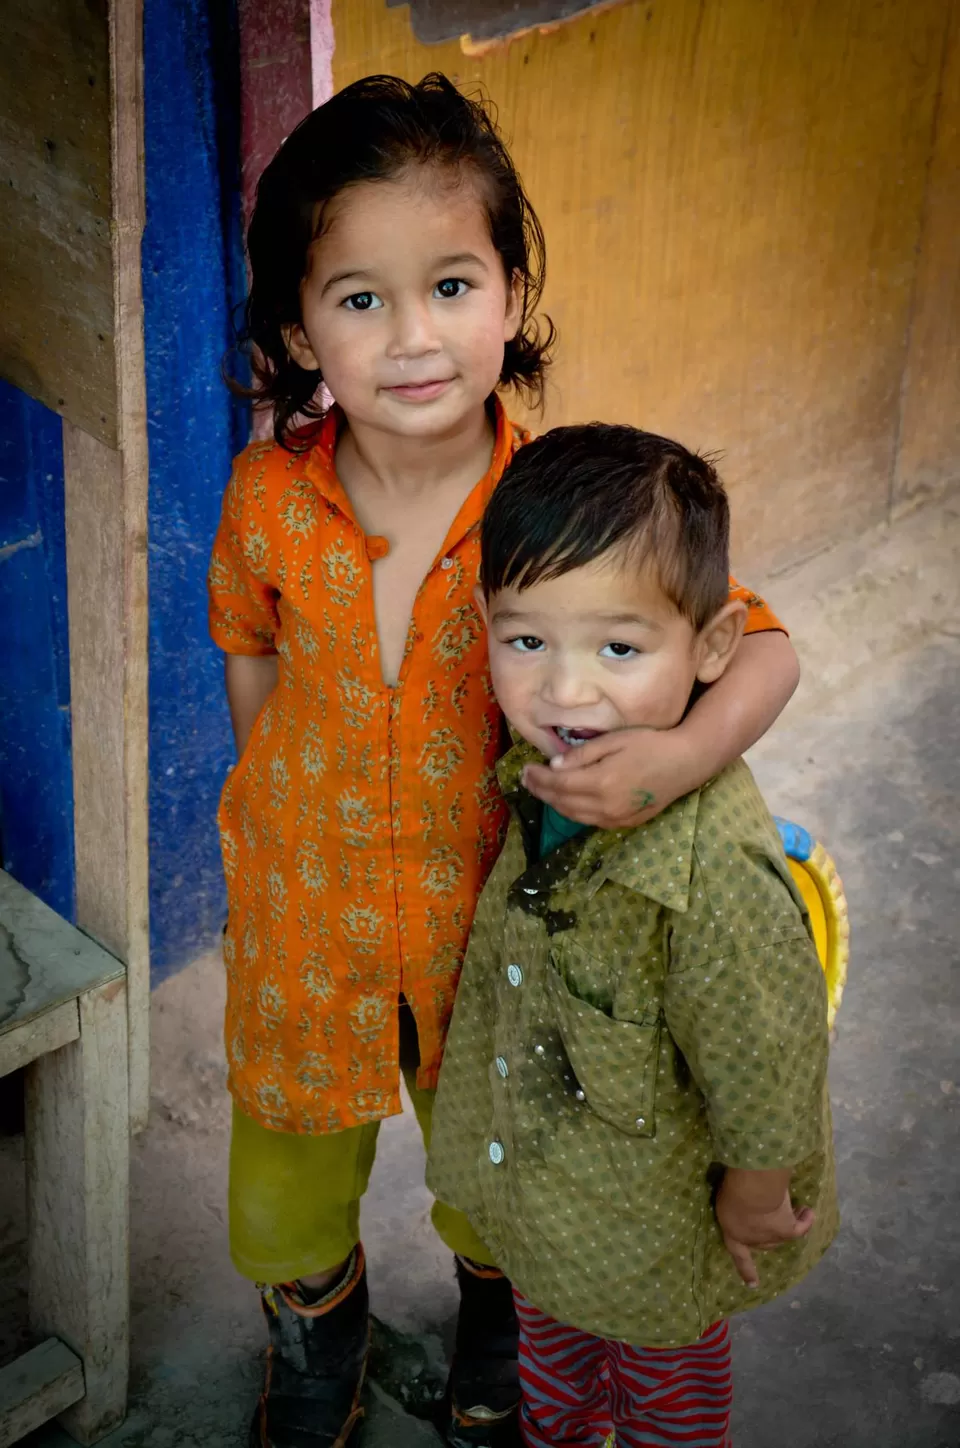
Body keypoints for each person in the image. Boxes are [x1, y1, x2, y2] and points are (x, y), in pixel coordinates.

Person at [208, 72, 801, 1448]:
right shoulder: (262, 499)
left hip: (499, 935)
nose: (414, 338)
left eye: (453, 285)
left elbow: (759, 644)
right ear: (298, 325)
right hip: (309, 924)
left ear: (515, 289)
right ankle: (319, 1332)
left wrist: (674, 762)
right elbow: (247, 640)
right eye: (359, 299)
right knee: (284, 1177)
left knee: (504, 1169)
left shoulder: (566, 508)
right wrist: (275, 792)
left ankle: (500, 1311)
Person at [426, 423, 838, 1448]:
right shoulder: (529, 779)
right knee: (555, 1388)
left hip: (651, 1235)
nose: (566, 693)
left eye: (619, 646)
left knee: (665, 1409)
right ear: (484, 623)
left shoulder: (708, 872)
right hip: (549, 1205)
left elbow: (768, 1048)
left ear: (709, 645)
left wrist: (758, 1187)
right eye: (527, 641)